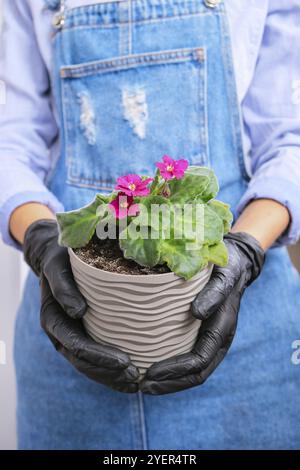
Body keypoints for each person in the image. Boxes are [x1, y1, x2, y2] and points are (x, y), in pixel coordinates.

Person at [0, 0, 300, 450]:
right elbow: (11, 138)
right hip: (70, 335)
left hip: (247, 349)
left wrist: (246, 250)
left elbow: (289, 136)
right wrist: (42, 239)